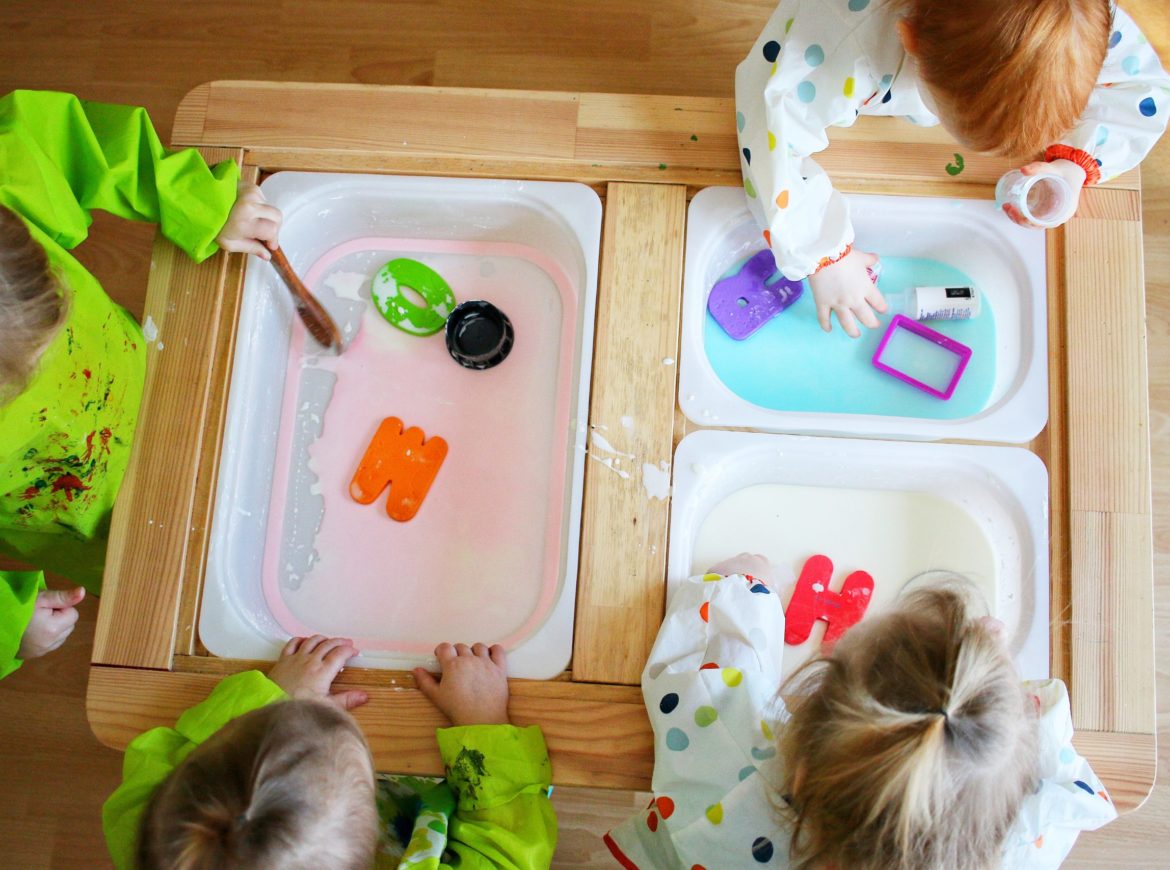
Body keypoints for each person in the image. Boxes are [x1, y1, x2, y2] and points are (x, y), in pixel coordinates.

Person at [0, 89, 280, 671]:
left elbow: (73, 141)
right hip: (88, 524)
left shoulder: (7, 180)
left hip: (160, 373)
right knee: (187, 576)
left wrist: (197, 200)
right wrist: (9, 624)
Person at [605, 555, 1117, 869]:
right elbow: (1064, 780)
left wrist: (741, 585)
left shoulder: (741, 768)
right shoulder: (1030, 840)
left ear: (801, 770)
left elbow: (694, 673)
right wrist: (1003, 697)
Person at [736, 0, 1170, 336]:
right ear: (909, 40)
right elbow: (768, 124)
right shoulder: (839, 42)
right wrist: (822, 256)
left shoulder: (1078, 20)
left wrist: (1076, 165)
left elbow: (1142, 91)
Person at [103, 636, 557, 869]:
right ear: (370, 834)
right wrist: (484, 726)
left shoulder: (147, 837)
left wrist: (271, 700)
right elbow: (508, 854)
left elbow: (156, 762)